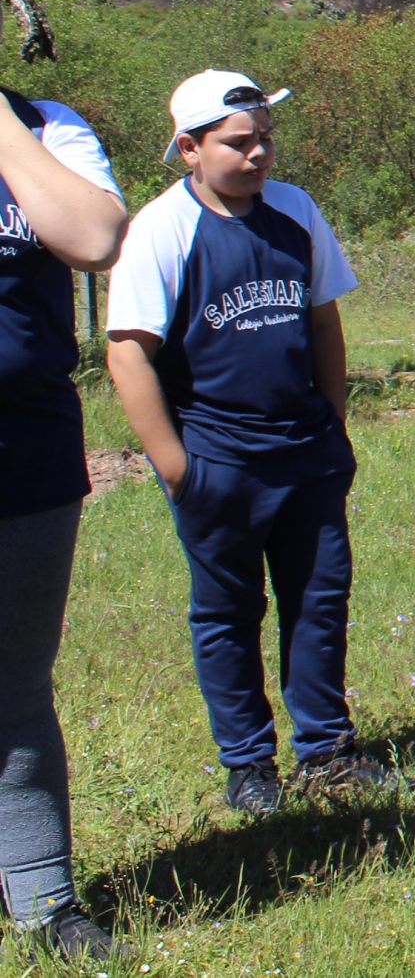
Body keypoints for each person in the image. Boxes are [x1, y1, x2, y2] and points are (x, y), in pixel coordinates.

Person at [105, 71, 400, 815]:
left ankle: (327, 749)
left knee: (319, 602)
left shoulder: (294, 210)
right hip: (220, 461)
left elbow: (324, 319)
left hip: (306, 454)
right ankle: (248, 765)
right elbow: (129, 350)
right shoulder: (163, 227)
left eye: (266, 137)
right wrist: (178, 466)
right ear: (189, 149)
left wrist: (333, 424)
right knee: (229, 613)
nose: (260, 153)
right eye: (239, 142)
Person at [0, 89, 127, 960]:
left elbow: (93, 238)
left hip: (27, 457)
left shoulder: (47, 127)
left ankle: (45, 899)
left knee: (15, 687)